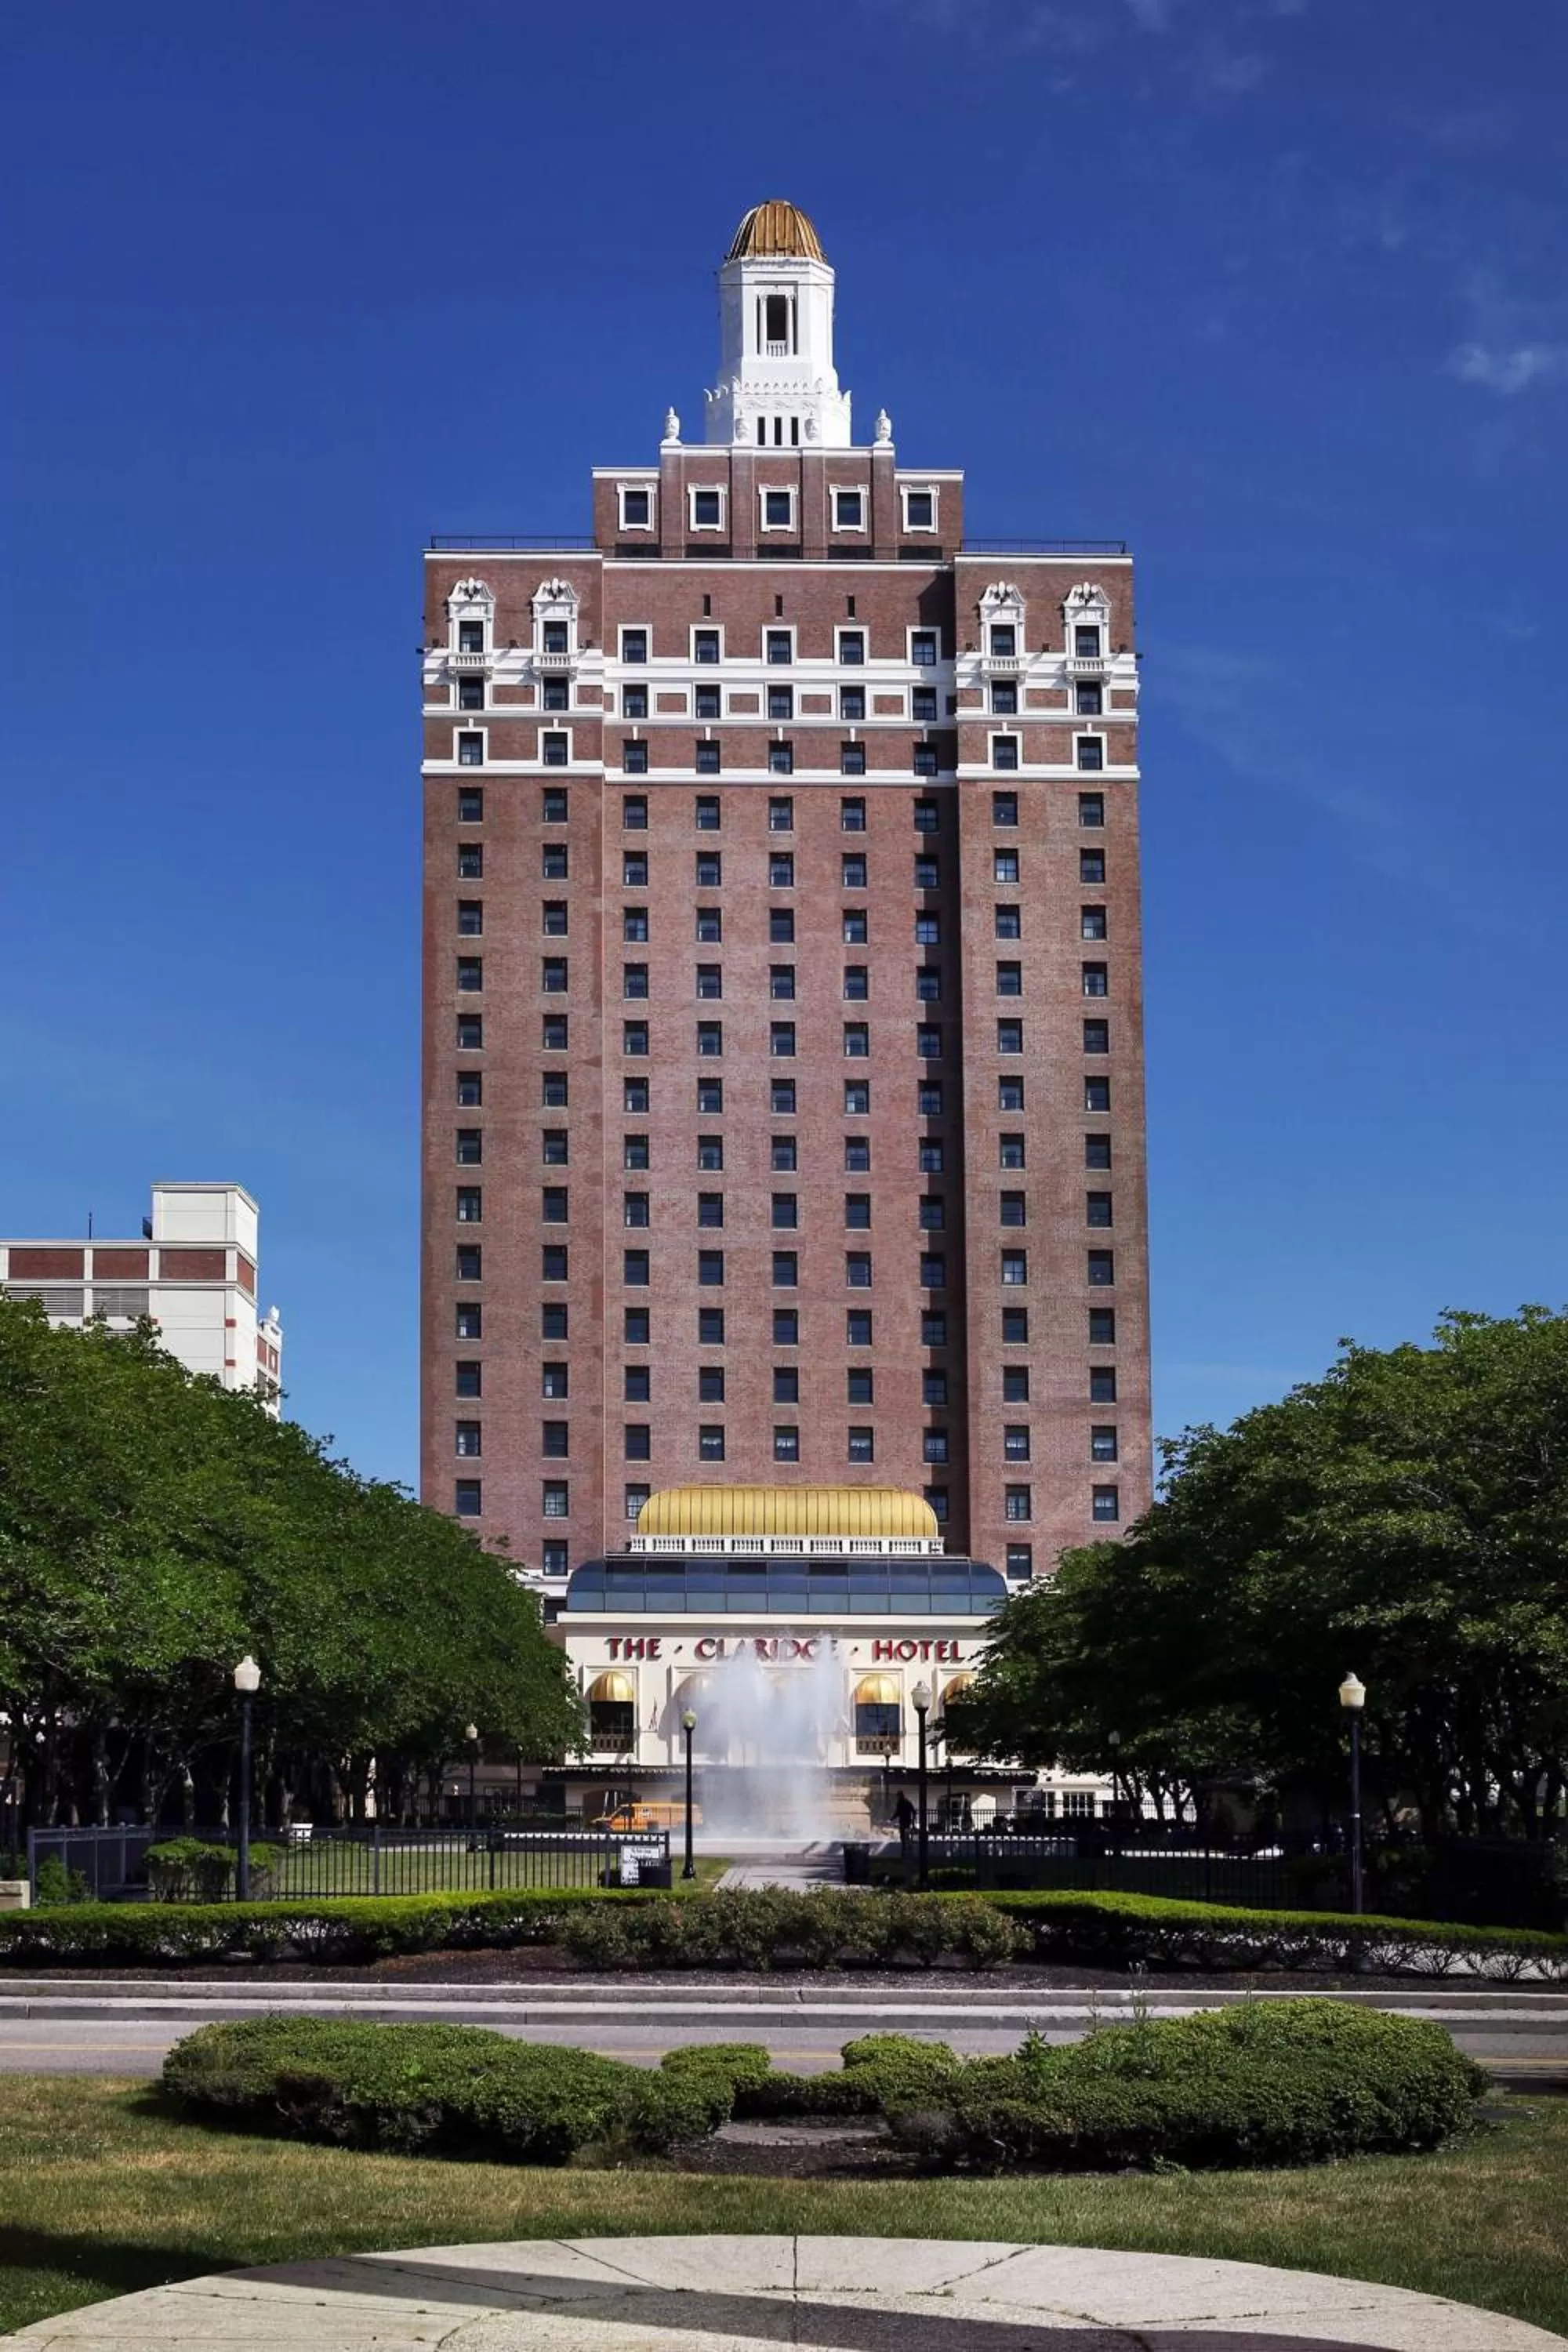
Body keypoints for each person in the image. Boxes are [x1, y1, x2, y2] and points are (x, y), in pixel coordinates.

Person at [894, 1792, 916, 1856]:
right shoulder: (908, 1802)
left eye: (898, 1796)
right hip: (907, 1821)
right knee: (905, 1835)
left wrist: (891, 1819)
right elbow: (914, 1812)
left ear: (900, 1796)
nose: (897, 1798)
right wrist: (913, 1822)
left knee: (903, 1835)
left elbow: (897, 1813)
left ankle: (904, 1849)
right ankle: (907, 1847)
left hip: (903, 1821)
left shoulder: (900, 1803)